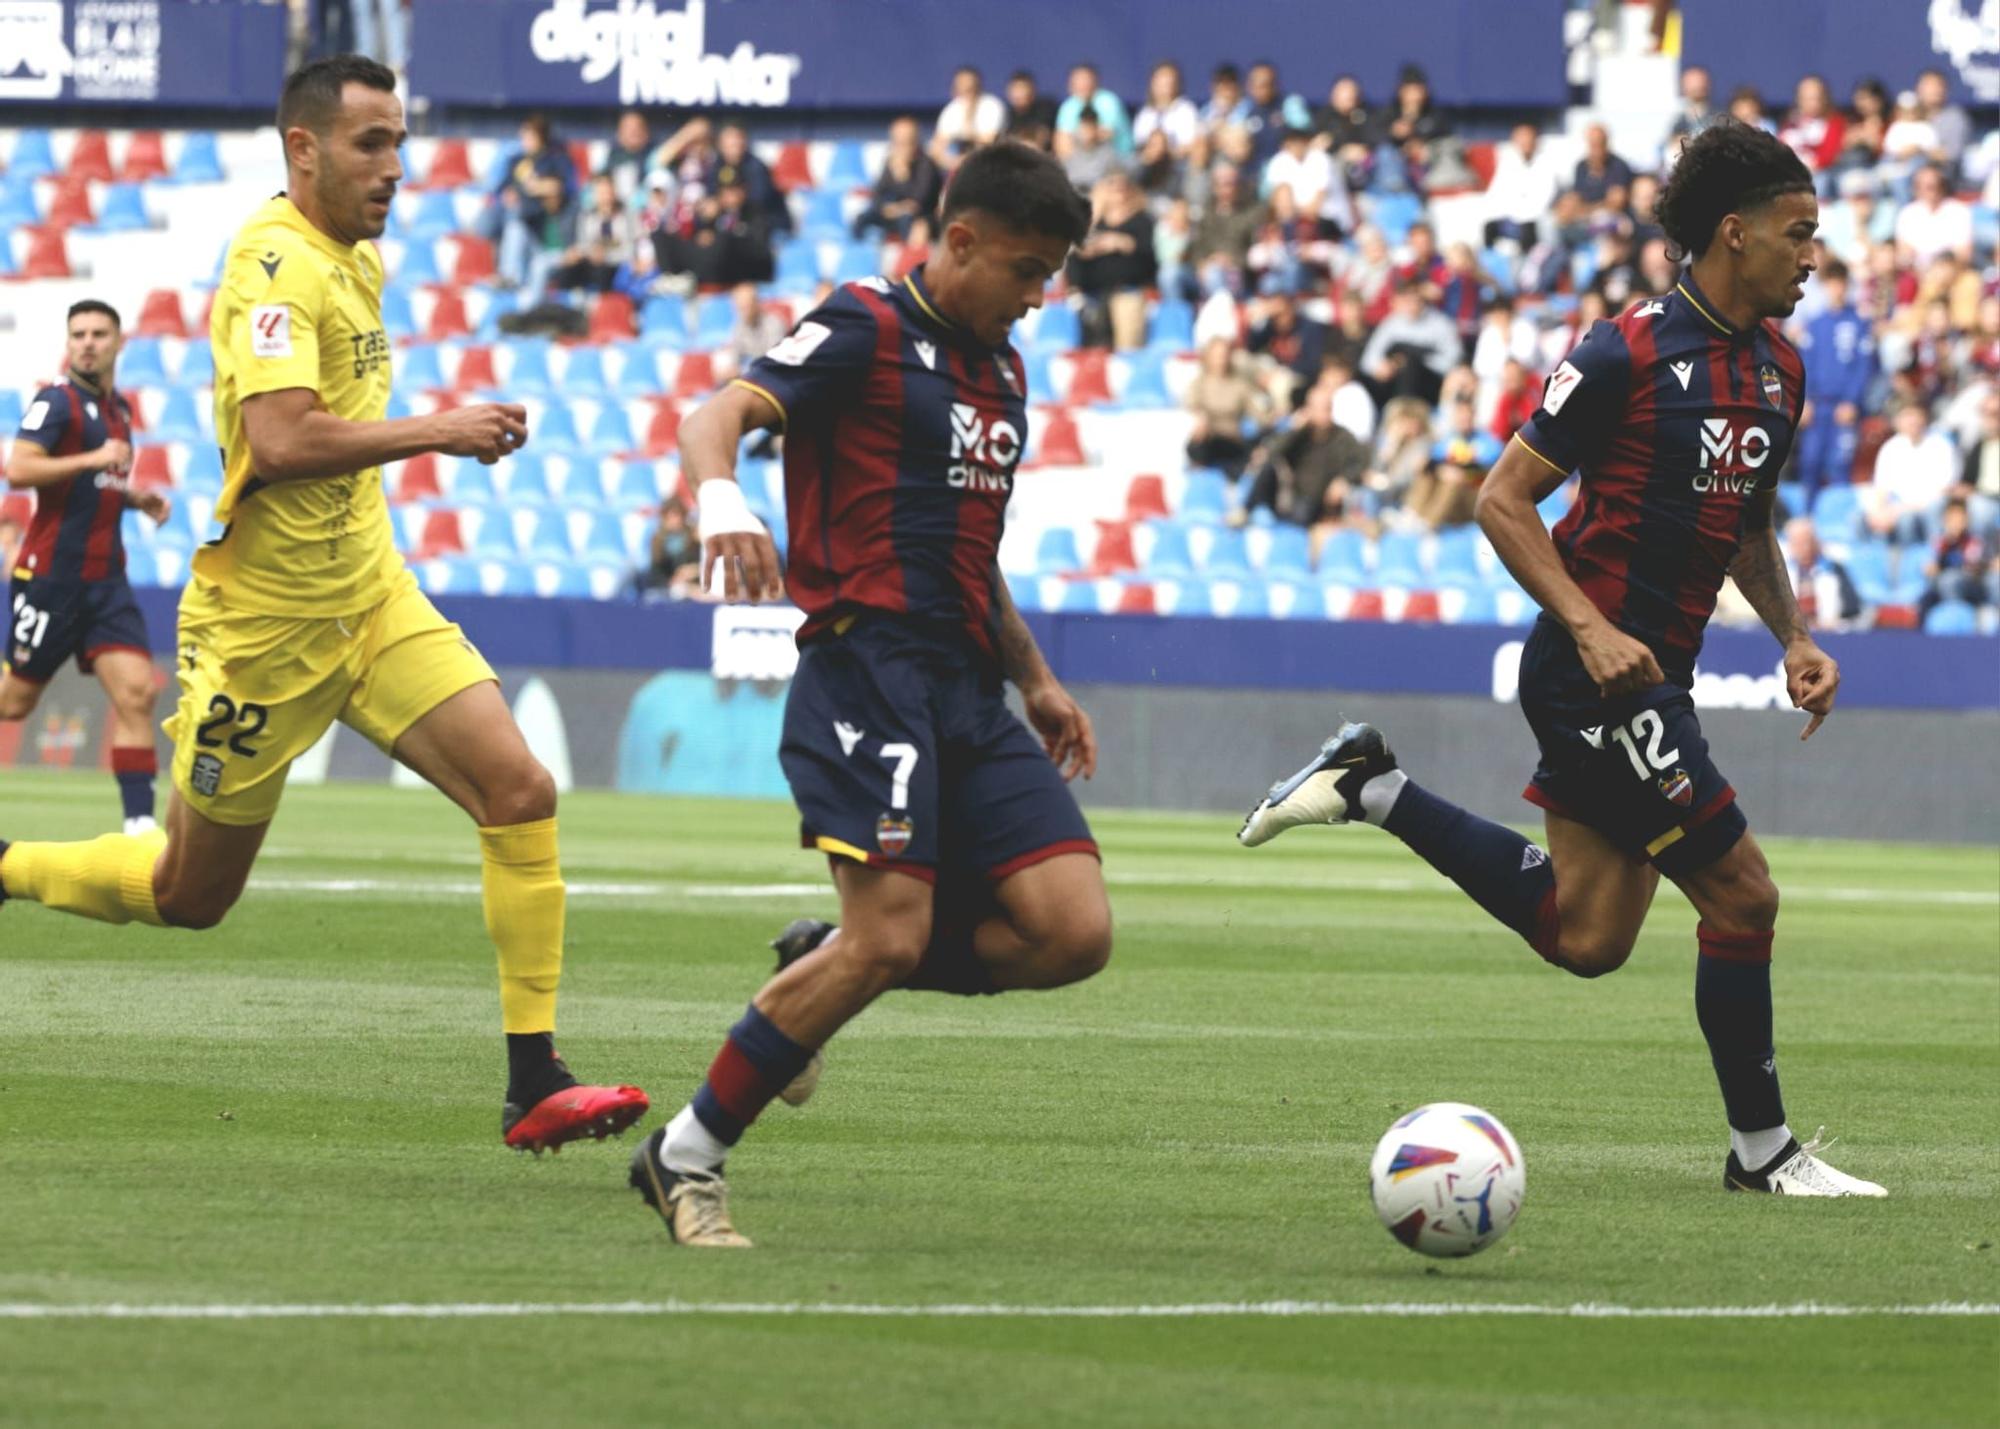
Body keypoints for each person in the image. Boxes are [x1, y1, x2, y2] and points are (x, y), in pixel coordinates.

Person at [0, 55, 647, 1153]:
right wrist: (438, 429)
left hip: (370, 598)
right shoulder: (272, 267)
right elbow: (284, 439)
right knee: (190, 893)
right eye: (370, 144)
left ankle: (533, 1078)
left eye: (399, 141)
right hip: (263, 632)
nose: (396, 167)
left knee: (520, 788)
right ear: (302, 148)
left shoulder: (358, 257)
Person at [1239, 120, 1886, 1198]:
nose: (1811, 256)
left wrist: (1793, 636)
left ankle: (1373, 785)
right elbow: (1500, 501)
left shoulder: (1776, 370)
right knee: (1742, 896)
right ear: (1733, 234)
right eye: (1797, 234)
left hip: (1652, 671)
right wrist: (1588, 626)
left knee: (1585, 935)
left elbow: (1744, 525)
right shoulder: (1618, 352)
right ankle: (1761, 1154)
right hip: (1591, 671)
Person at [629, 141, 1108, 1247]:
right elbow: (713, 420)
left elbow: (969, 544)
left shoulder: (1000, 369)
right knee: (888, 938)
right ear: (959, 241)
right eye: (1026, 271)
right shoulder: (864, 324)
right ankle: (686, 1153)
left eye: (1050, 277)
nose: (1036, 300)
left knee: (1070, 931)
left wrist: (1031, 674)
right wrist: (721, 505)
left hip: (966, 685)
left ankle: (816, 967)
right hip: (867, 669)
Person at [3, 299, 170, 835]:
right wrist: (93, 460)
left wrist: (133, 498)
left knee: (138, 692)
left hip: (106, 582)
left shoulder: (117, 410)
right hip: (52, 579)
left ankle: (140, 829)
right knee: (13, 704)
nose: (88, 342)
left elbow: (92, 487)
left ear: (119, 342)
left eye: (100, 333)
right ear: (68, 342)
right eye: (79, 334)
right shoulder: (57, 403)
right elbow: (19, 468)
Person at [1792, 258, 1874, 502]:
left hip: (1843, 407)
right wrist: (1803, 401)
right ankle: (1807, 520)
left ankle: (1839, 528)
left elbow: (1863, 367)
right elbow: (1804, 366)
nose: (1836, 289)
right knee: (1810, 462)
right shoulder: (1815, 325)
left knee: (1840, 464)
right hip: (1817, 406)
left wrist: (1851, 401)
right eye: (1831, 283)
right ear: (1825, 286)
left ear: (1847, 286)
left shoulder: (1859, 324)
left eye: (1841, 284)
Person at [480, 113, 575, 290]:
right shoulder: (516, 161)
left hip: (537, 226)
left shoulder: (555, 160)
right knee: (503, 219)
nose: (525, 140)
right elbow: (502, 189)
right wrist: (508, 194)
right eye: (523, 135)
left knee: (516, 223)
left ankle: (510, 275)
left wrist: (536, 187)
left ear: (541, 137)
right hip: (513, 218)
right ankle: (507, 274)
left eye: (530, 136)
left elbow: (564, 187)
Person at [1068, 173, 1155, 350]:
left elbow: (1149, 258)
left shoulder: (1142, 221)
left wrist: (1123, 243)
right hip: (1093, 297)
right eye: (1112, 187)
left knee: (1127, 349)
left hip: (1128, 293)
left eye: (1122, 188)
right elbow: (1075, 254)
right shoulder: (1095, 223)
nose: (1118, 193)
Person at [1865, 397, 1956, 542]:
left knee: (1906, 521)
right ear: (1897, 421)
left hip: (1925, 508)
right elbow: (1881, 487)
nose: (1912, 421)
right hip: (1894, 507)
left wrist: (1901, 509)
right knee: (1860, 518)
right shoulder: (1891, 447)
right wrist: (1879, 511)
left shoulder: (1941, 446)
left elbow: (1944, 490)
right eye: (1907, 416)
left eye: (1916, 415)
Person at [1183, 335, 1272, 478]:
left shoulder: (1240, 385)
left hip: (1233, 440)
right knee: (1197, 446)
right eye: (1217, 355)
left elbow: (1259, 414)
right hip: (1209, 439)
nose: (1221, 359)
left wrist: (1271, 416)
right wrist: (1200, 420)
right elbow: (1191, 407)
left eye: (1224, 355)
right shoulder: (1199, 383)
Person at [852, 116, 942, 242]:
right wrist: (889, 208)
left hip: (919, 217)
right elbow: (877, 194)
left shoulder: (926, 164)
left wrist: (903, 175)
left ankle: (907, 258)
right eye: (897, 141)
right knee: (861, 219)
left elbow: (919, 200)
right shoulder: (890, 162)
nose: (901, 147)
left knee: (908, 221)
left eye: (906, 141)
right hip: (894, 212)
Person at [545, 173, 638, 295]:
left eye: (608, 191)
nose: (606, 196)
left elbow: (630, 251)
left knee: (603, 273)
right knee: (567, 272)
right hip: (590, 261)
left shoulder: (627, 217)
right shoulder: (587, 217)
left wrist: (607, 256)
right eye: (601, 192)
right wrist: (582, 253)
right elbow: (583, 244)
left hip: (615, 264)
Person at [1781, 516, 1860, 630]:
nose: (1803, 548)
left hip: (1827, 633)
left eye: (1806, 542)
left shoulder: (1834, 570)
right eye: (1797, 543)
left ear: (1815, 542)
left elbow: (1852, 607)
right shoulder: (1780, 573)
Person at [1894, 164, 1974, 269]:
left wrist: (1941, 269)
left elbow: (1964, 253)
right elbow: (1903, 251)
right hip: (1918, 271)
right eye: (1922, 186)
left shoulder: (1959, 211)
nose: (1929, 191)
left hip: (1951, 270)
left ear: (1942, 187)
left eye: (1933, 186)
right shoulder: (1907, 213)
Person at [932, 65, 1006, 169]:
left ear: (978, 86)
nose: (966, 91)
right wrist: (953, 162)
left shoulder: (992, 106)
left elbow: (989, 143)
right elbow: (936, 150)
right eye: (961, 86)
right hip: (959, 168)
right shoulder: (951, 110)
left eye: (970, 88)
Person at [1053, 62, 1132, 159]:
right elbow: (1062, 142)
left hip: (1118, 159)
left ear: (1095, 81)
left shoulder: (1108, 101)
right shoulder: (1068, 106)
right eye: (1078, 80)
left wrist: (1085, 135)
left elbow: (1106, 134)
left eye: (1085, 79)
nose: (1082, 83)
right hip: (1081, 161)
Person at [628, 498, 701, 601]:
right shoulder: (657, 541)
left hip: (692, 585)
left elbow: (703, 564)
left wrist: (692, 571)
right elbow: (656, 570)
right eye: (669, 517)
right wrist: (670, 581)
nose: (674, 520)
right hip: (666, 587)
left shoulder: (694, 539)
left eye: (676, 515)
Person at [1133, 60, 1199, 158]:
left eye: (1169, 80)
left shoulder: (1185, 110)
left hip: (1177, 165)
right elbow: (1139, 145)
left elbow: (1190, 145)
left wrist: (1165, 153)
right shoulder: (1145, 113)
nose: (1165, 84)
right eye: (1160, 80)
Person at [1571, 122, 1635, 217]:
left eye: (1599, 143)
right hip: (1584, 219)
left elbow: (1617, 203)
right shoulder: (1581, 166)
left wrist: (1588, 210)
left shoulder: (1619, 166)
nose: (1596, 150)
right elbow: (1575, 199)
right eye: (1593, 144)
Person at [1001, 70, 1056, 150]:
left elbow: (1041, 135)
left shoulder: (1045, 108)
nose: (1019, 94)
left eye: (1022, 88)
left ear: (1032, 90)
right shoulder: (1006, 114)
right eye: (1015, 89)